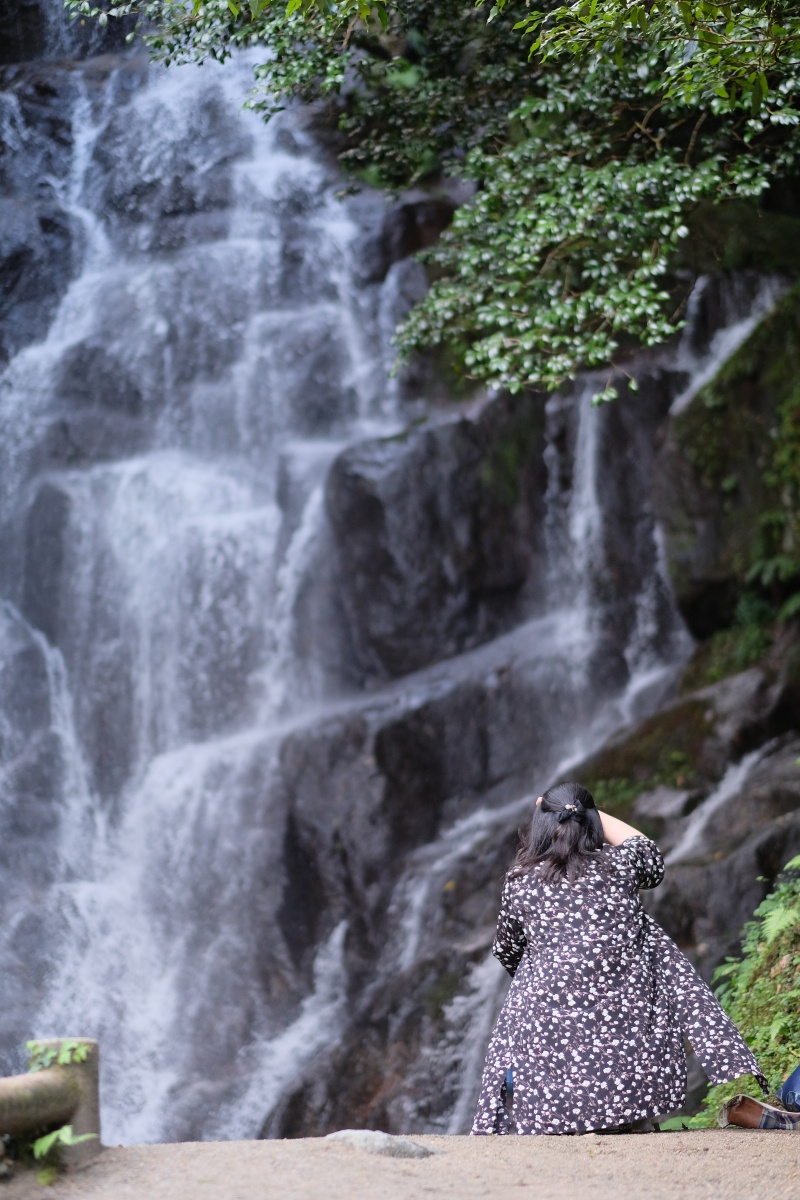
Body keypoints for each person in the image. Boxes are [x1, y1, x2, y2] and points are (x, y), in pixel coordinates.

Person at [471, 781, 768, 1135]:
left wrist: (554, 978)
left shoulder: (521, 882)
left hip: (549, 1078)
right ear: (592, 823)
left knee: (533, 984)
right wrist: (585, 811)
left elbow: (507, 950)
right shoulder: (620, 866)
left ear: (542, 827)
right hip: (631, 1075)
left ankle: (561, 1118)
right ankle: (630, 1117)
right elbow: (649, 853)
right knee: (643, 959)